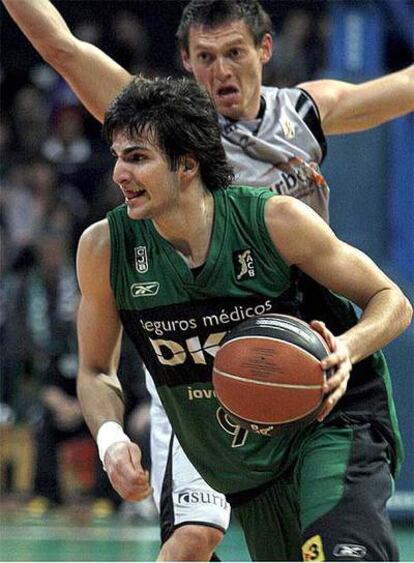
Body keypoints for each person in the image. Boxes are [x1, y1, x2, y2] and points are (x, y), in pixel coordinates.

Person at [3, 0, 413, 559]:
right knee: (191, 542)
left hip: (294, 338)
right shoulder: (163, 128)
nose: (221, 70)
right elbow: (61, 46)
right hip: (196, 361)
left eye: (234, 53)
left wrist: (346, 344)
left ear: (264, 50)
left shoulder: (300, 118)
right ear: (186, 63)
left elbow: (402, 89)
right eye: (205, 57)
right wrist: (110, 438)